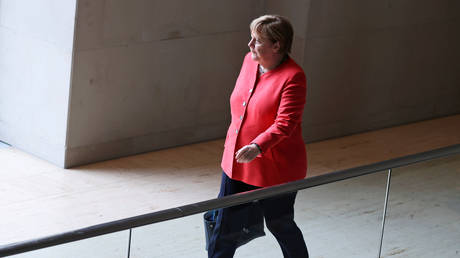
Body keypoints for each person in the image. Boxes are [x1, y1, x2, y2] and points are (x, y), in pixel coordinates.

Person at [207, 15, 309, 258]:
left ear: (277, 45)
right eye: (251, 38)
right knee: (223, 226)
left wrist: (257, 146)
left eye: (257, 40)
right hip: (237, 162)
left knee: (280, 224)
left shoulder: (293, 76)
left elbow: (286, 123)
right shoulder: (249, 62)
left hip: (274, 168)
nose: (250, 45)